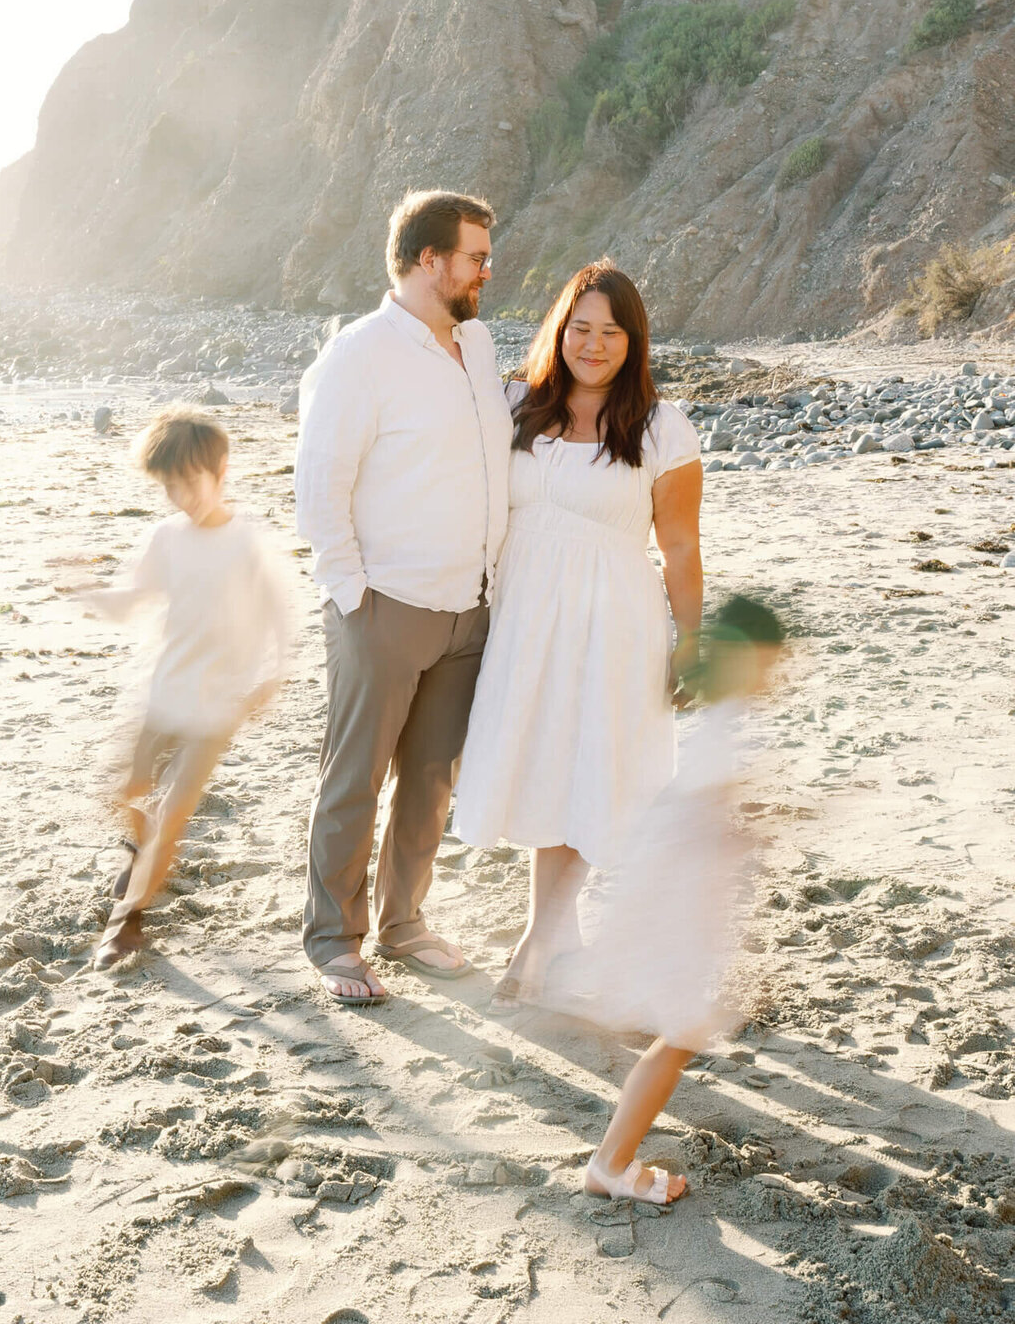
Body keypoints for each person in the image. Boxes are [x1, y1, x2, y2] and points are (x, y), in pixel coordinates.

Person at [452, 262, 703, 1009]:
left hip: (614, 623)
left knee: (590, 767)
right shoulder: (514, 407)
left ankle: (537, 941)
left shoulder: (662, 427)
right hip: (527, 619)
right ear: (560, 332)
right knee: (545, 766)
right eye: (581, 329)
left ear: (634, 341)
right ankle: (560, 939)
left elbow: (681, 548)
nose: (594, 346)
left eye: (611, 332)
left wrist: (690, 642)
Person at [294, 190, 513, 1006]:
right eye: (476, 257)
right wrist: (355, 597)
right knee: (356, 778)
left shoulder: (479, 346)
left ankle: (404, 924)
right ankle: (333, 940)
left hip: (471, 606)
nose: (488, 270)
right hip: (384, 606)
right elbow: (320, 488)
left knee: (430, 781)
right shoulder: (359, 355)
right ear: (429, 261)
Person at [555, 596, 786, 1205]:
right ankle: (609, 1163)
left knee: (680, 1031)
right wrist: (760, 831)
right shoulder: (722, 726)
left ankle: (612, 1157)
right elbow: (702, 820)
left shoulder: (718, 717)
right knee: (680, 1032)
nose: (773, 673)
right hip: (676, 905)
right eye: (766, 660)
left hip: (680, 900)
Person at [78, 405, 291, 969]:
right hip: (161, 690)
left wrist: (274, 672)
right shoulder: (165, 538)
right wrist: (88, 591)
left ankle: (126, 923)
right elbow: (132, 601)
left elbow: (279, 613)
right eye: (169, 486)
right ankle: (139, 850)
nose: (181, 496)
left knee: (173, 814)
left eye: (190, 482)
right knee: (129, 792)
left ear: (221, 471)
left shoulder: (247, 544)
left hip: (218, 705)